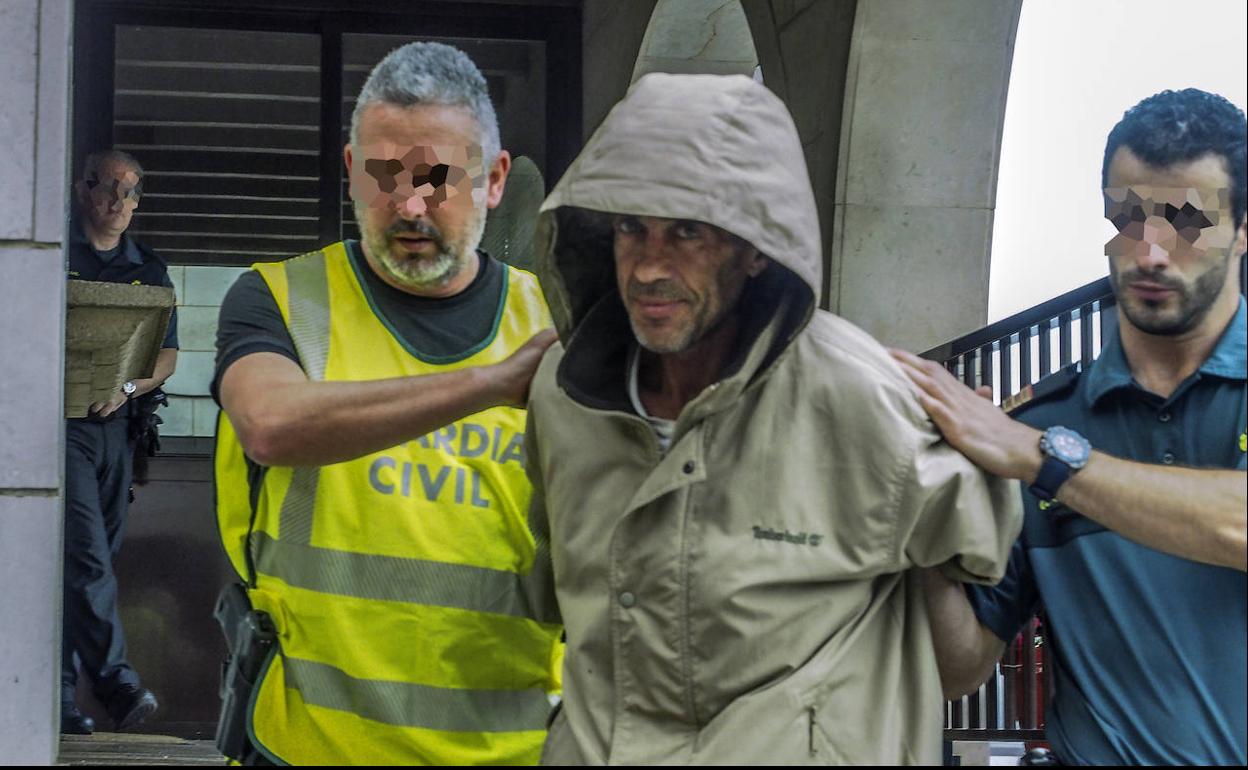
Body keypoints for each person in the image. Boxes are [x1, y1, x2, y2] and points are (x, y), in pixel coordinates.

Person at [521, 72, 1022, 765]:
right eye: (631, 228)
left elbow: (966, 653)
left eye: (688, 233)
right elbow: (557, 591)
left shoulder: (861, 395)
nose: (647, 268)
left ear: (759, 249)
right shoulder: (562, 395)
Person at [212, 42, 561, 765]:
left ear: (494, 180)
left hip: (512, 750)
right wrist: (492, 383)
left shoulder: (558, 323)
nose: (408, 204)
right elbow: (269, 425)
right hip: (309, 747)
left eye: (436, 179)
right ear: (349, 171)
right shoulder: (282, 300)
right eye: (381, 176)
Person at [892, 88, 1246, 765]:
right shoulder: (1046, 422)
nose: (1149, 252)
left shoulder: (1036, 444)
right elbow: (960, 668)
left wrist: (1046, 459)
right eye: (1129, 216)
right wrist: (924, 519)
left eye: (1186, 220)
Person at [62, 150, 177, 734]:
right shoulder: (51, 255)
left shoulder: (148, 269)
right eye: (107, 189)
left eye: (130, 193)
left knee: (87, 565)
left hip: (115, 429)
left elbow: (168, 356)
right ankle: (115, 684)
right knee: (84, 557)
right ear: (84, 190)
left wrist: (128, 386)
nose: (117, 202)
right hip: (56, 428)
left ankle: (58, 701)